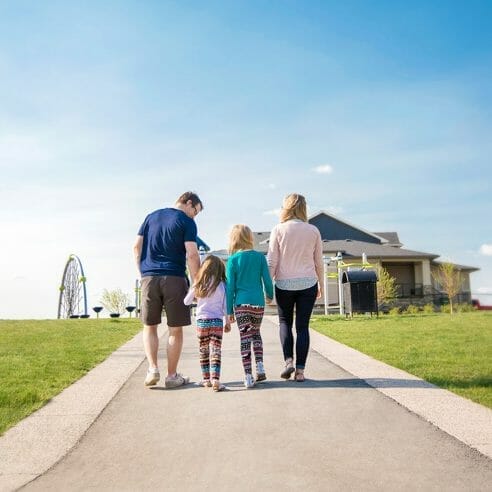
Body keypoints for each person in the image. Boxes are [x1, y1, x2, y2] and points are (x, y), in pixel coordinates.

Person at [133, 191, 203, 388]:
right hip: (174, 277)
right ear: (189, 203)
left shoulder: (150, 217)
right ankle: (172, 376)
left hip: (149, 277)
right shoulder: (187, 222)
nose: (194, 216)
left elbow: (136, 248)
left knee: (150, 326)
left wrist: (142, 273)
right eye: (195, 211)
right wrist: (197, 282)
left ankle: (153, 368)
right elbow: (191, 254)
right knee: (175, 329)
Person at [267, 193, 323, 382]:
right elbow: (319, 262)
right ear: (303, 208)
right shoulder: (313, 230)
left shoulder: (278, 229)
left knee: (285, 323)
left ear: (286, 208)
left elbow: (272, 261)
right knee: (302, 327)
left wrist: (268, 287)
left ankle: (288, 362)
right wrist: (321, 284)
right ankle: (300, 372)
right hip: (308, 283)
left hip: (284, 284)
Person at [226, 225, 273, 388]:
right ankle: (260, 367)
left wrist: (229, 310)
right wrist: (270, 295)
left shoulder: (232, 260)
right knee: (256, 333)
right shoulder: (259, 257)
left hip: (241, 304)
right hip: (258, 303)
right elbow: (267, 280)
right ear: (249, 238)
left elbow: (230, 287)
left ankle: (248, 376)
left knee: (245, 338)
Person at [184, 255, 231, 392]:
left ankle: (206, 380)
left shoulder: (199, 283)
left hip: (201, 322)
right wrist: (227, 321)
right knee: (216, 351)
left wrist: (197, 298)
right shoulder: (222, 285)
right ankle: (215, 379)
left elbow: (186, 301)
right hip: (217, 321)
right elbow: (225, 306)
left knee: (203, 351)